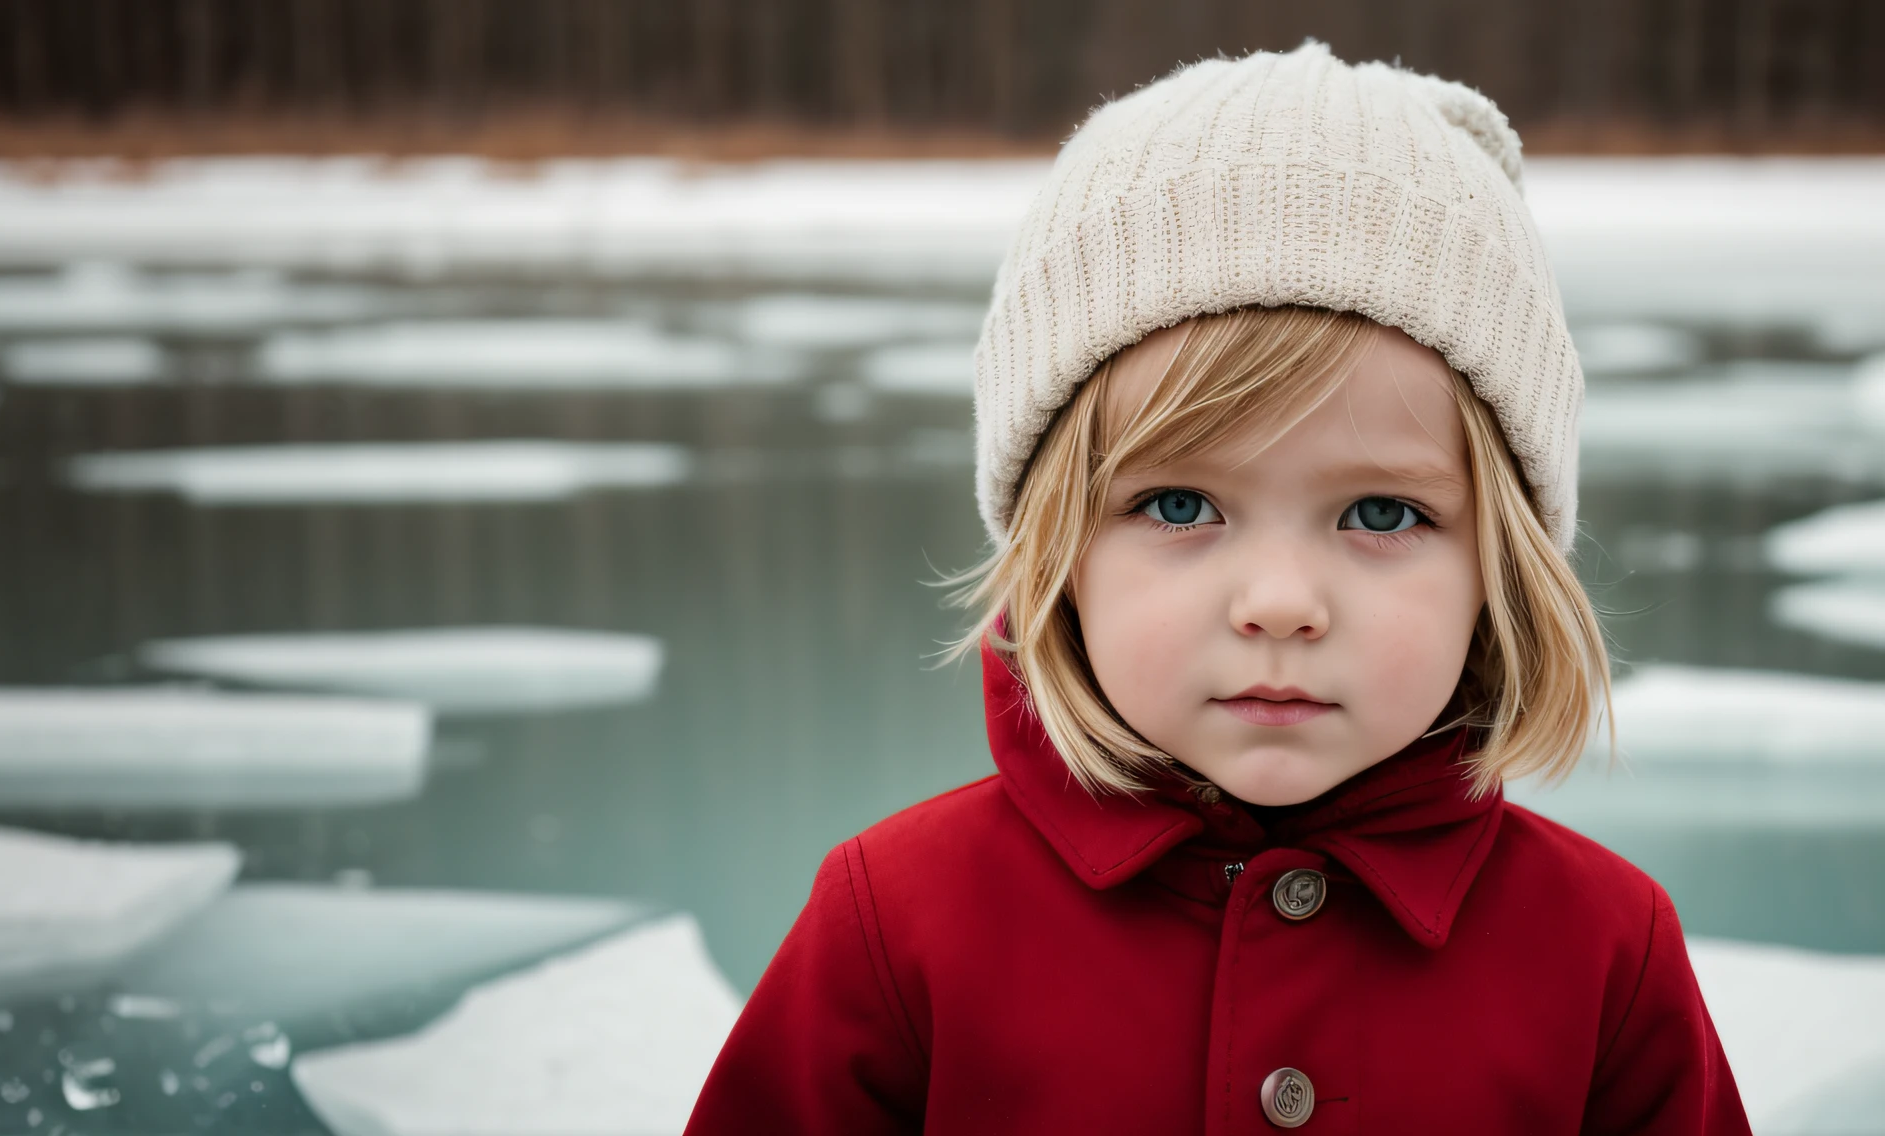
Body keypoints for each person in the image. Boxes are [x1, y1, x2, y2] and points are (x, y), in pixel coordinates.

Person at [686, 41, 1750, 1134]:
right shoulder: (897, 921)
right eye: (1180, 506)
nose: (1280, 602)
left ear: (1499, 564)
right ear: (1056, 548)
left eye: (1380, 513)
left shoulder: (1603, 950)